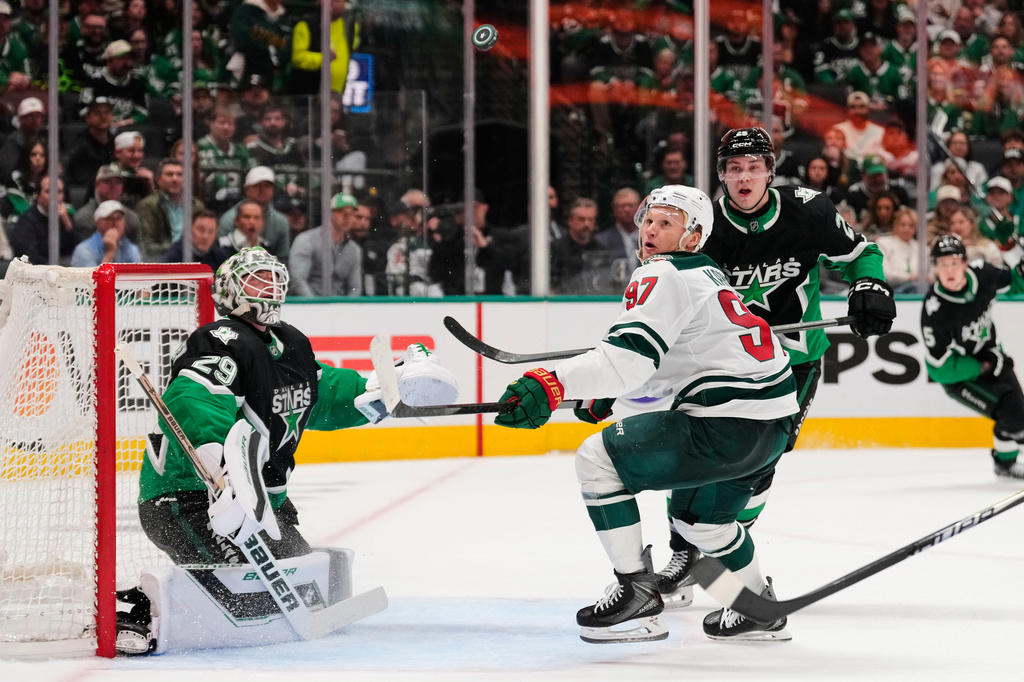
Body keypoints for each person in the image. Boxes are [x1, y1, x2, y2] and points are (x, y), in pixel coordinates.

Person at [493, 185, 798, 643]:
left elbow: (627, 360)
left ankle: (636, 594)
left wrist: (553, 382)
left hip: (724, 425)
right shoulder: (709, 276)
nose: (650, 229)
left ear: (693, 237)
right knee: (704, 523)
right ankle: (756, 607)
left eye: (666, 223)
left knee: (597, 460)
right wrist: (609, 393)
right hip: (771, 427)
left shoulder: (663, 274)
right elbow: (673, 363)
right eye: (649, 219)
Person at [128, 246, 458, 653]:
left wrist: (380, 388)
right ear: (230, 292)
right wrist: (223, 472)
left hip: (261, 504)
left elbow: (321, 395)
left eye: (273, 278)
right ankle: (135, 611)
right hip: (190, 498)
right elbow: (196, 401)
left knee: (302, 589)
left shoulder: (291, 344)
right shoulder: (219, 341)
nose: (269, 288)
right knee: (246, 594)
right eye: (255, 280)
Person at [656, 127, 895, 616]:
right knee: (691, 451)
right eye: (734, 169)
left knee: (759, 464)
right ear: (721, 175)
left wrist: (868, 283)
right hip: (719, 363)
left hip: (796, 359)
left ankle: (726, 558)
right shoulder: (699, 225)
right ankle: (685, 554)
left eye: (754, 167)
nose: (745, 178)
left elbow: (860, 253)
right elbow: (666, 290)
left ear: (770, 169)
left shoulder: (809, 210)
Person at [922, 234, 1024, 478]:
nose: (949, 270)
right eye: (942, 264)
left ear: (965, 264)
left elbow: (1014, 283)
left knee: (1018, 414)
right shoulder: (935, 311)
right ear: (935, 268)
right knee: (1015, 417)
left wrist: (1021, 268)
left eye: (954, 263)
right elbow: (939, 369)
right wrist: (984, 366)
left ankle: (1004, 463)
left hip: (992, 357)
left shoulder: (983, 274)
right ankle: (1005, 461)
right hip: (960, 377)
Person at [288, 192, 362, 297]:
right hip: (309, 308)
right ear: (329, 214)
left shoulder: (354, 249)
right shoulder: (306, 240)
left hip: (341, 308)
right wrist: (316, 306)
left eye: (351, 214)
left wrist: (346, 308)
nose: (347, 217)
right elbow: (297, 280)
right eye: (342, 212)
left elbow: (355, 287)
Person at [136, 158, 207, 260]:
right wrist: (179, 249)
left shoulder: (197, 205)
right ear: (158, 180)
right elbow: (147, 245)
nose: (175, 179)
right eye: (169, 174)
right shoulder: (147, 205)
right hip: (162, 262)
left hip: (192, 260)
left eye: (180, 175)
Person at [217, 166, 291, 260]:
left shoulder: (281, 221)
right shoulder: (228, 219)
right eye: (256, 186)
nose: (262, 190)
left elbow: (283, 258)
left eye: (267, 186)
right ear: (247, 189)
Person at [290, 0, 359, 95]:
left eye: (338, 1)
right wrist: (322, 58)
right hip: (311, 92)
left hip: (339, 93)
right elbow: (297, 58)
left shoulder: (349, 25)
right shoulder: (307, 24)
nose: (334, 4)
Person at [8, 175, 79, 265]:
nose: (55, 197)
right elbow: (31, 259)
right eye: (49, 191)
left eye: (59, 192)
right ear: (37, 196)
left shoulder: (66, 218)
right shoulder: (26, 223)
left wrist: (68, 225)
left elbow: (79, 253)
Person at [74, 164, 143, 244]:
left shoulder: (132, 218)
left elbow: (140, 253)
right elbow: (87, 252)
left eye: (117, 183)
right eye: (107, 182)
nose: (113, 187)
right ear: (97, 184)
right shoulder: (83, 218)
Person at [70, 199, 142, 266]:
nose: (115, 223)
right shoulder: (84, 250)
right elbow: (93, 279)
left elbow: (138, 277)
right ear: (97, 223)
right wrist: (109, 253)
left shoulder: (131, 249)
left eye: (119, 218)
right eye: (109, 219)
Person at [163, 208, 231, 270]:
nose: (205, 236)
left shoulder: (220, 256)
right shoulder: (174, 257)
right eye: (201, 230)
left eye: (211, 231)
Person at [875, 207, 920, 293]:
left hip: (917, 290)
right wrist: (909, 277)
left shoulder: (922, 248)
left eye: (911, 226)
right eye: (903, 225)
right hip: (890, 290)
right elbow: (884, 273)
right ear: (895, 225)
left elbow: (930, 275)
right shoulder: (883, 243)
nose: (907, 229)